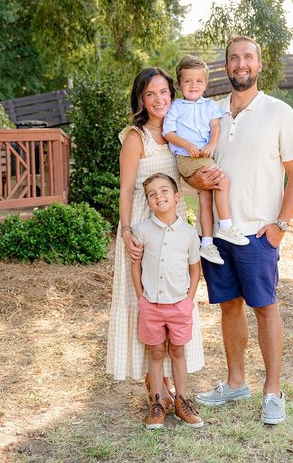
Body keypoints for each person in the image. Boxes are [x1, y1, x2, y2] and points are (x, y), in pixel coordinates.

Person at [187, 36, 293, 424]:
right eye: (234, 58)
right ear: (225, 66)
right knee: (228, 307)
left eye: (248, 57)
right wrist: (198, 182)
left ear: (258, 65)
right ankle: (235, 381)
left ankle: (273, 390)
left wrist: (280, 226)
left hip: (258, 232)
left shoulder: (279, 112)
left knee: (266, 308)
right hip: (217, 236)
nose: (241, 63)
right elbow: (192, 165)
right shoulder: (210, 112)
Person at [106, 67, 204, 405]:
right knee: (145, 302)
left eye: (164, 92)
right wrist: (127, 231)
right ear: (142, 100)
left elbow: (190, 179)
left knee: (170, 298)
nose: (158, 99)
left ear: (172, 95)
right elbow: (126, 189)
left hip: (173, 229)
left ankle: (174, 392)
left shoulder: (180, 134)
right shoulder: (137, 136)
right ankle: (157, 393)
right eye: (150, 94)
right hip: (140, 226)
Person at [131, 172, 204, 429]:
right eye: (152, 194)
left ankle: (182, 402)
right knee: (156, 352)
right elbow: (136, 266)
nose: (158, 197)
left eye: (164, 191)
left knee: (177, 351)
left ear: (176, 196)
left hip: (179, 306)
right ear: (148, 201)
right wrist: (142, 299)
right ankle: (158, 403)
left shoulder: (188, 233)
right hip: (151, 305)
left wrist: (189, 300)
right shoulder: (141, 230)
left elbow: (195, 269)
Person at [163, 55, 249, 266]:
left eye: (199, 81)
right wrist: (187, 145)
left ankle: (207, 243)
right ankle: (227, 227)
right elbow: (169, 133)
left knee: (206, 199)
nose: (193, 86)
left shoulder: (210, 106)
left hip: (203, 155)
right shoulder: (176, 107)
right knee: (224, 181)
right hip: (187, 157)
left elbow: (215, 127)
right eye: (188, 81)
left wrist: (211, 144)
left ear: (206, 84)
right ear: (179, 84)